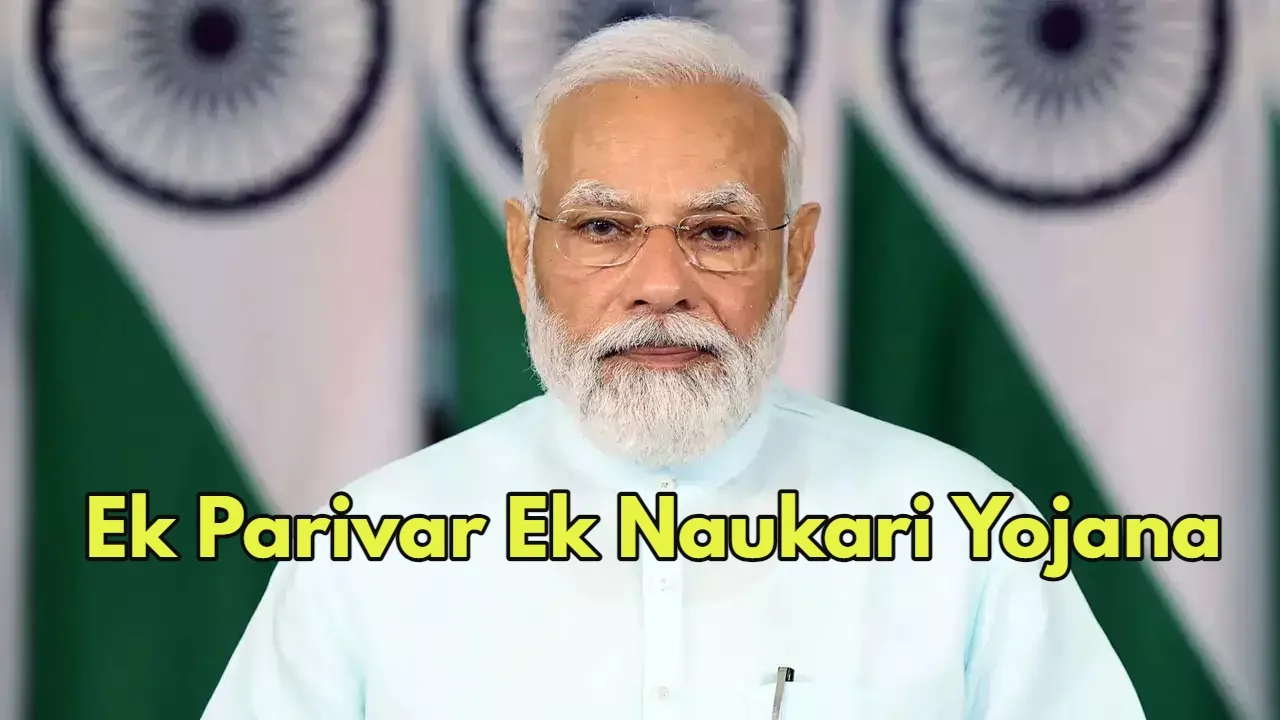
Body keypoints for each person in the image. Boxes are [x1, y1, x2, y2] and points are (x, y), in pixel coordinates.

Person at [200, 16, 1146, 720]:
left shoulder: (961, 532)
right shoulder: (366, 552)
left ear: (797, 255)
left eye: (718, 232)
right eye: (604, 228)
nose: (661, 285)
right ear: (524, 253)